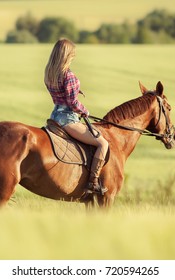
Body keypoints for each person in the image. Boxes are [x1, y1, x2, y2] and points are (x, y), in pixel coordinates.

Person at [44, 38, 109, 195]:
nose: (74, 57)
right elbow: (72, 103)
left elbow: (60, 93)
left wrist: (75, 91)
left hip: (55, 116)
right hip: (68, 119)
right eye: (72, 55)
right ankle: (93, 183)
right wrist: (84, 110)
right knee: (102, 144)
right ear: (67, 56)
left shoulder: (50, 73)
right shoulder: (69, 76)